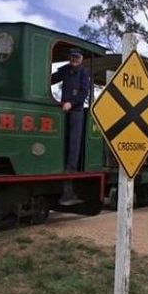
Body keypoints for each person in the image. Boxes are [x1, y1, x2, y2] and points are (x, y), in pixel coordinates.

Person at [51, 47, 90, 205]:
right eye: (72, 57)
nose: (74, 59)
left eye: (77, 57)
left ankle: (70, 171)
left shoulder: (83, 73)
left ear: (81, 58)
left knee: (73, 143)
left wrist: (71, 103)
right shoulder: (65, 70)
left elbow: (84, 93)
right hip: (63, 110)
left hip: (76, 111)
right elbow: (52, 79)